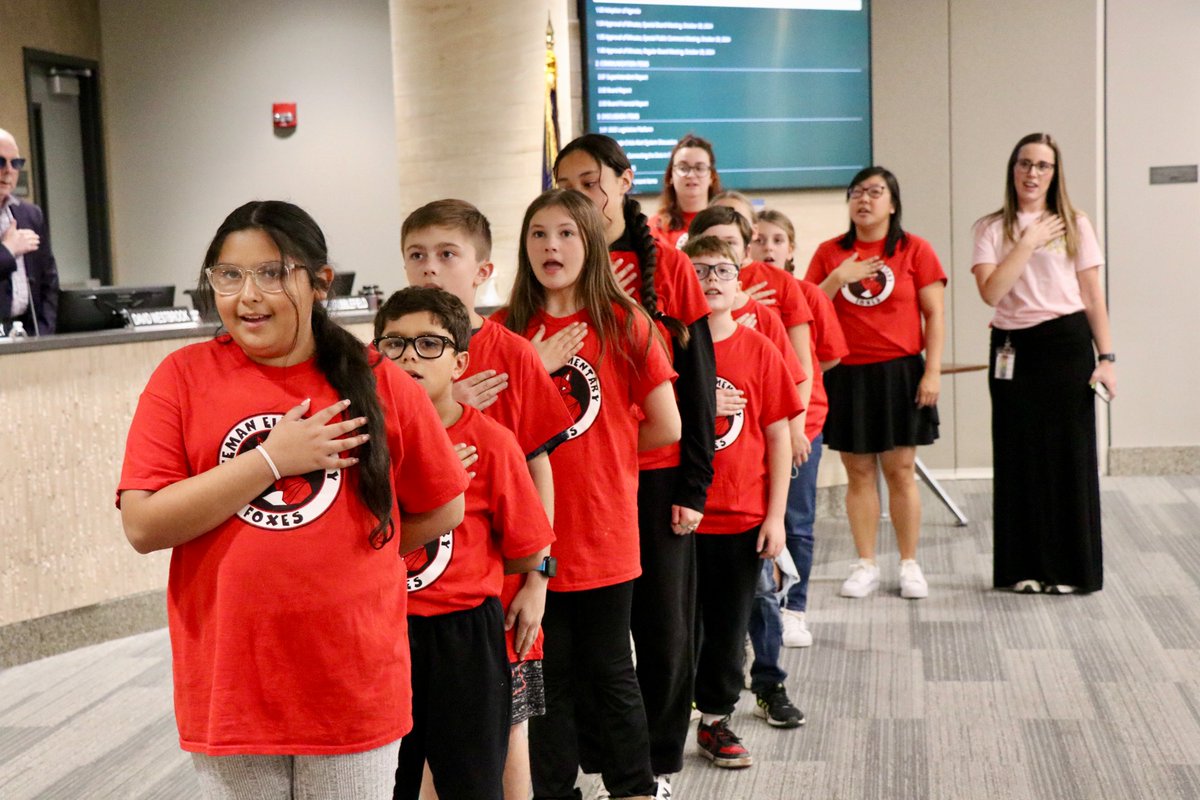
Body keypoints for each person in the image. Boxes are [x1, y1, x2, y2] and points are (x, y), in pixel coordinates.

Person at [116, 200, 468, 800]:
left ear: (320, 282)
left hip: (352, 682)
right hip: (233, 684)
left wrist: (357, 553)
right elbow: (144, 524)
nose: (247, 295)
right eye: (229, 275)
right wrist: (273, 460)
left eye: (272, 273)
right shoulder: (182, 377)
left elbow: (443, 505)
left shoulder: (378, 378)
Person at [498, 189, 680, 800]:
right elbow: (487, 428)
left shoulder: (625, 321)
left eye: (567, 234)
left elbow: (668, 425)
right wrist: (528, 361)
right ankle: (555, 791)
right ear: (524, 248)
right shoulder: (505, 331)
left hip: (602, 529)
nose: (552, 246)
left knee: (610, 672)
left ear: (591, 243)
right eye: (539, 235)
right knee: (543, 674)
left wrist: (609, 450)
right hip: (527, 539)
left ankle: (636, 786)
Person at [553, 134, 714, 793]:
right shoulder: (556, 267)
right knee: (591, 638)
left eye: (593, 180)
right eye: (569, 181)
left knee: (664, 629)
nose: (583, 192)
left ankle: (657, 761)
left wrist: (696, 484)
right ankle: (603, 756)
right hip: (583, 482)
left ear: (624, 181)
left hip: (659, 476)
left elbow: (698, 385)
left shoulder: (669, 267)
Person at [399, 199, 572, 800]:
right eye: (417, 255)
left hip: (492, 592)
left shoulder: (514, 354)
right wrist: (433, 400)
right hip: (416, 597)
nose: (430, 269)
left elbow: (537, 469)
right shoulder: (387, 365)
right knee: (417, 751)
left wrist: (538, 581)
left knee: (505, 747)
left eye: (446, 255)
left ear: (481, 269)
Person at [374, 286, 556, 800]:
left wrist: (538, 586)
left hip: (465, 636)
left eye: (429, 345)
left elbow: (527, 545)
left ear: (459, 363)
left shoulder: (493, 442)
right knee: (389, 776)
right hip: (384, 626)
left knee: (471, 779)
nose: (409, 356)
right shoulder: (365, 441)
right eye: (394, 344)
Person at [971, 133, 1114, 595]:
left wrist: (1107, 357)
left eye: (1043, 166)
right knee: (1020, 457)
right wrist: (1028, 242)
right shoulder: (991, 228)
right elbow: (991, 292)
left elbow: (1092, 295)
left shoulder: (1075, 223)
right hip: (1013, 349)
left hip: (1067, 345)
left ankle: (1071, 570)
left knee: (1069, 456)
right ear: (1013, 170)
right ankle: (1023, 568)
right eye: (1024, 164)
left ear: (1055, 174)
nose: (1032, 174)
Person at [684, 235, 801, 767]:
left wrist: (776, 516)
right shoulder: (670, 348)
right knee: (674, 630)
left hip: (740, 516)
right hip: (678, 516)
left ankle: (715, 719)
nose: (711, 279)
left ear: (740, 284)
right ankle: (663, 725)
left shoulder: (758, 350)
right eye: (700, 269)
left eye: (723, 271)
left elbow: (779, 436)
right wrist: (699, 401)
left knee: (729, 630)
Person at [805, 167, 946, 600]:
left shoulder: (914, 250)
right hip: (849, 374)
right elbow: (805, 308)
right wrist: (836, 279)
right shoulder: (830, 253)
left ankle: (909, 564)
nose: (864, 200)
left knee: (901, 471)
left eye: (874, 192)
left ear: (892, 203)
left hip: (901, 371)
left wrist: (933, 370)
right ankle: (865, 563)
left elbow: (934, 315)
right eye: (857, 193)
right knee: (859, 471)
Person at [751, 208, 847, 646]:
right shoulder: (732, 294)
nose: (767, 248)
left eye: (777, 240)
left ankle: (795, 607)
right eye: (759, 240)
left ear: (791, 250)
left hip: (801, 424)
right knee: (756, 521)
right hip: (749, 428)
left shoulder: (806, 294)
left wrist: (795, 421)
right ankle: (760, 606)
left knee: (797, 519)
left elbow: (825, 358)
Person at [0, 128, 58, 335]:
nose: (9, 171)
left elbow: (49, 279)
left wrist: (43, 331)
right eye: (1, 162)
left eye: (15, 163)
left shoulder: (30, 215)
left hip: (28, 334)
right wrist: (7, 251)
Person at [651, 134, 721, 249]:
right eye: (683, 168)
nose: (691, 175)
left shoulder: (725, 224)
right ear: (670, 177)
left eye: (699, 168)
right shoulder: (653, 227)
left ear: (712, 177)